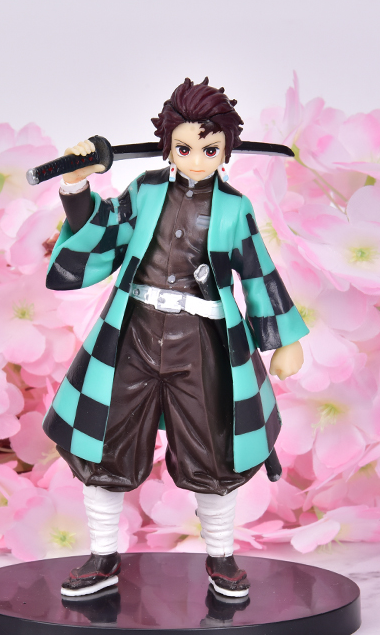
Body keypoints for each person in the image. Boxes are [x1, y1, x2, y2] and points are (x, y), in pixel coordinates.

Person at [43, 78, 308, 599]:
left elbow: (258, 271)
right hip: (132, 334)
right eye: (184, 148)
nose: (197, 159)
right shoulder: (144, 192)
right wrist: (75, 186)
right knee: (106, 441)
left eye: (210, 149)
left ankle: (222, 557)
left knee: (216, 448)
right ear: (168, 146)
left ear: (226, 151)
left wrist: (283, 337)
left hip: (203, 343)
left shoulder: (234, 208)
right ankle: (102, 556)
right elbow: (105, 230)